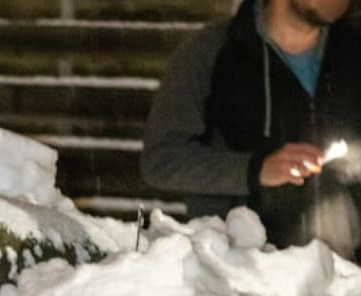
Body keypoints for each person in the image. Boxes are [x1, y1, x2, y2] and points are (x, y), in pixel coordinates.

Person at [141, 0, 361, 260]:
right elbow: (161, 159)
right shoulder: (213, 51)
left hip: (343, 278)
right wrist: (255, 170)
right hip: (243, 276)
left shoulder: (351, 52)